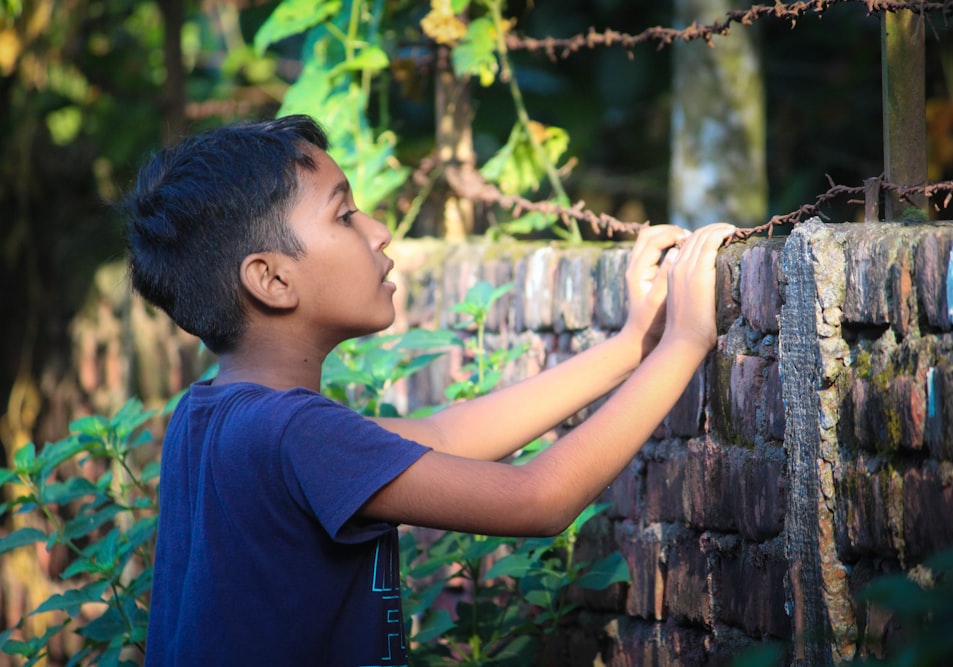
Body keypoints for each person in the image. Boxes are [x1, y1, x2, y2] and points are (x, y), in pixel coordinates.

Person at [121, 113, 734, 666]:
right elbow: (537, 499)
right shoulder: (293, 433)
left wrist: (632, 345)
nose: (380, 230)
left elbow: (449, 435)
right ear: (272, 280)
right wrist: (683, 343)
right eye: (344, 214)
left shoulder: (211, 417)